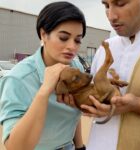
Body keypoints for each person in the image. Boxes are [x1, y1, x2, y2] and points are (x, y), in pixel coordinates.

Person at [0, 1, 87, 150]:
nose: (72, 47)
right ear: (43, 34)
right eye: (64, 38)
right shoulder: (18, 79)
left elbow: (73, 113)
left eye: (77, 40)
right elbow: (15, 147)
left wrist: (80, 147)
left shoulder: (75, 67)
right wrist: (44, 91)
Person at [79, 0, 140, 150]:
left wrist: (137, 105)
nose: (111, 16)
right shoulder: (106, 47)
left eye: (121, 3)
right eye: (106, 5)